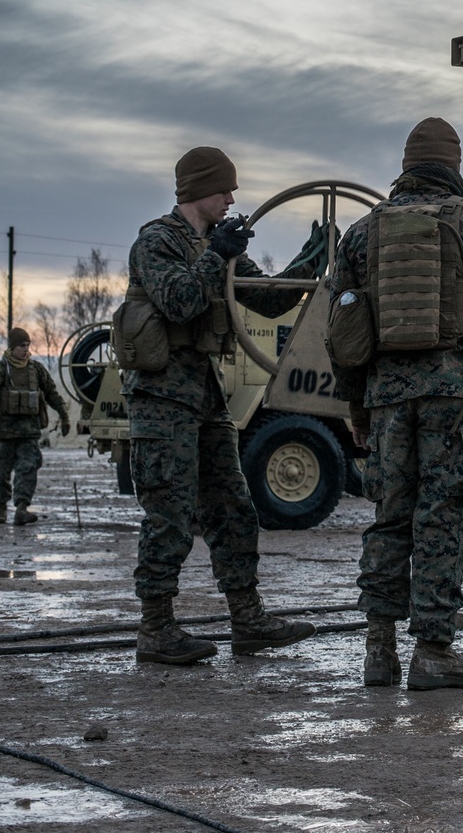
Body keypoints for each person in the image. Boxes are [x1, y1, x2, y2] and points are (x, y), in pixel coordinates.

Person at [331, 118, 463, 691]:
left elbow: (342, 332)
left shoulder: (362, 235)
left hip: (387, 400)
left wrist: (357, 407)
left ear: (407, 166)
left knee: (391, 516)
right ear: (455, 167)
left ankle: (379, 652)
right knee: (442, 515)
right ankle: (435, 650)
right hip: (455, 395)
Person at [123, 145, 318, 667]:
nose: (232, 198)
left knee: (233, 508)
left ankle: (248, 619)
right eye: (225, 189)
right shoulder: (157, 241)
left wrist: (311, 257)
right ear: (197, 191)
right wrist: (218, 255)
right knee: (169, 512)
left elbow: (267, 298)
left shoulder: (218, 243)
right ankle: (156, 628)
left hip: (204, 396)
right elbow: (179, 301)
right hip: (161, 399)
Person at [0, 326, 70, 525]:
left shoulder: (36, 370)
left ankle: (21, 509)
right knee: (0, 473)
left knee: (27, 470)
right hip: (4, 432)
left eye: (27, 345)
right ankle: (1, 509)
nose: (26, 350)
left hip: (29, 433)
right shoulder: (1, 369)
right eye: (21, 346)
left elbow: (51, 393)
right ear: (12, 347)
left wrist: (63, 415)